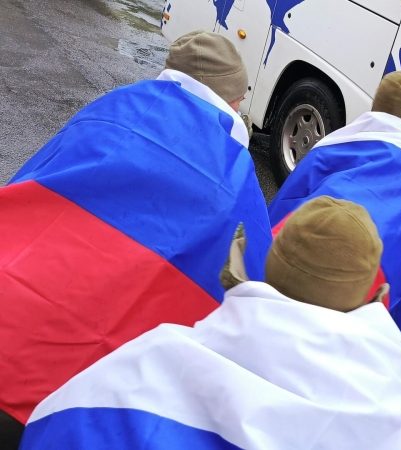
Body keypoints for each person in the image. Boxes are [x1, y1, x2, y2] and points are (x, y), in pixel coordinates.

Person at [0, 31, 271, 425]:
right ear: (232, 99)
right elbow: (253, 276)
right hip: (76, 400)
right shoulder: (232, 170)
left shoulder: (113, 106)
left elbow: (36, 180)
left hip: (12, 317)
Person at [19, 196, 401, 450]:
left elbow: (57, 424)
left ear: (270, 267)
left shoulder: (152, 356)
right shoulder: (384, 415)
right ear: (368, 296)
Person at [269, 71, 401, 380]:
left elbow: (286, 206)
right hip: (364, 284)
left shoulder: (335, 144)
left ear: (376, 101)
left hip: (304, 262)